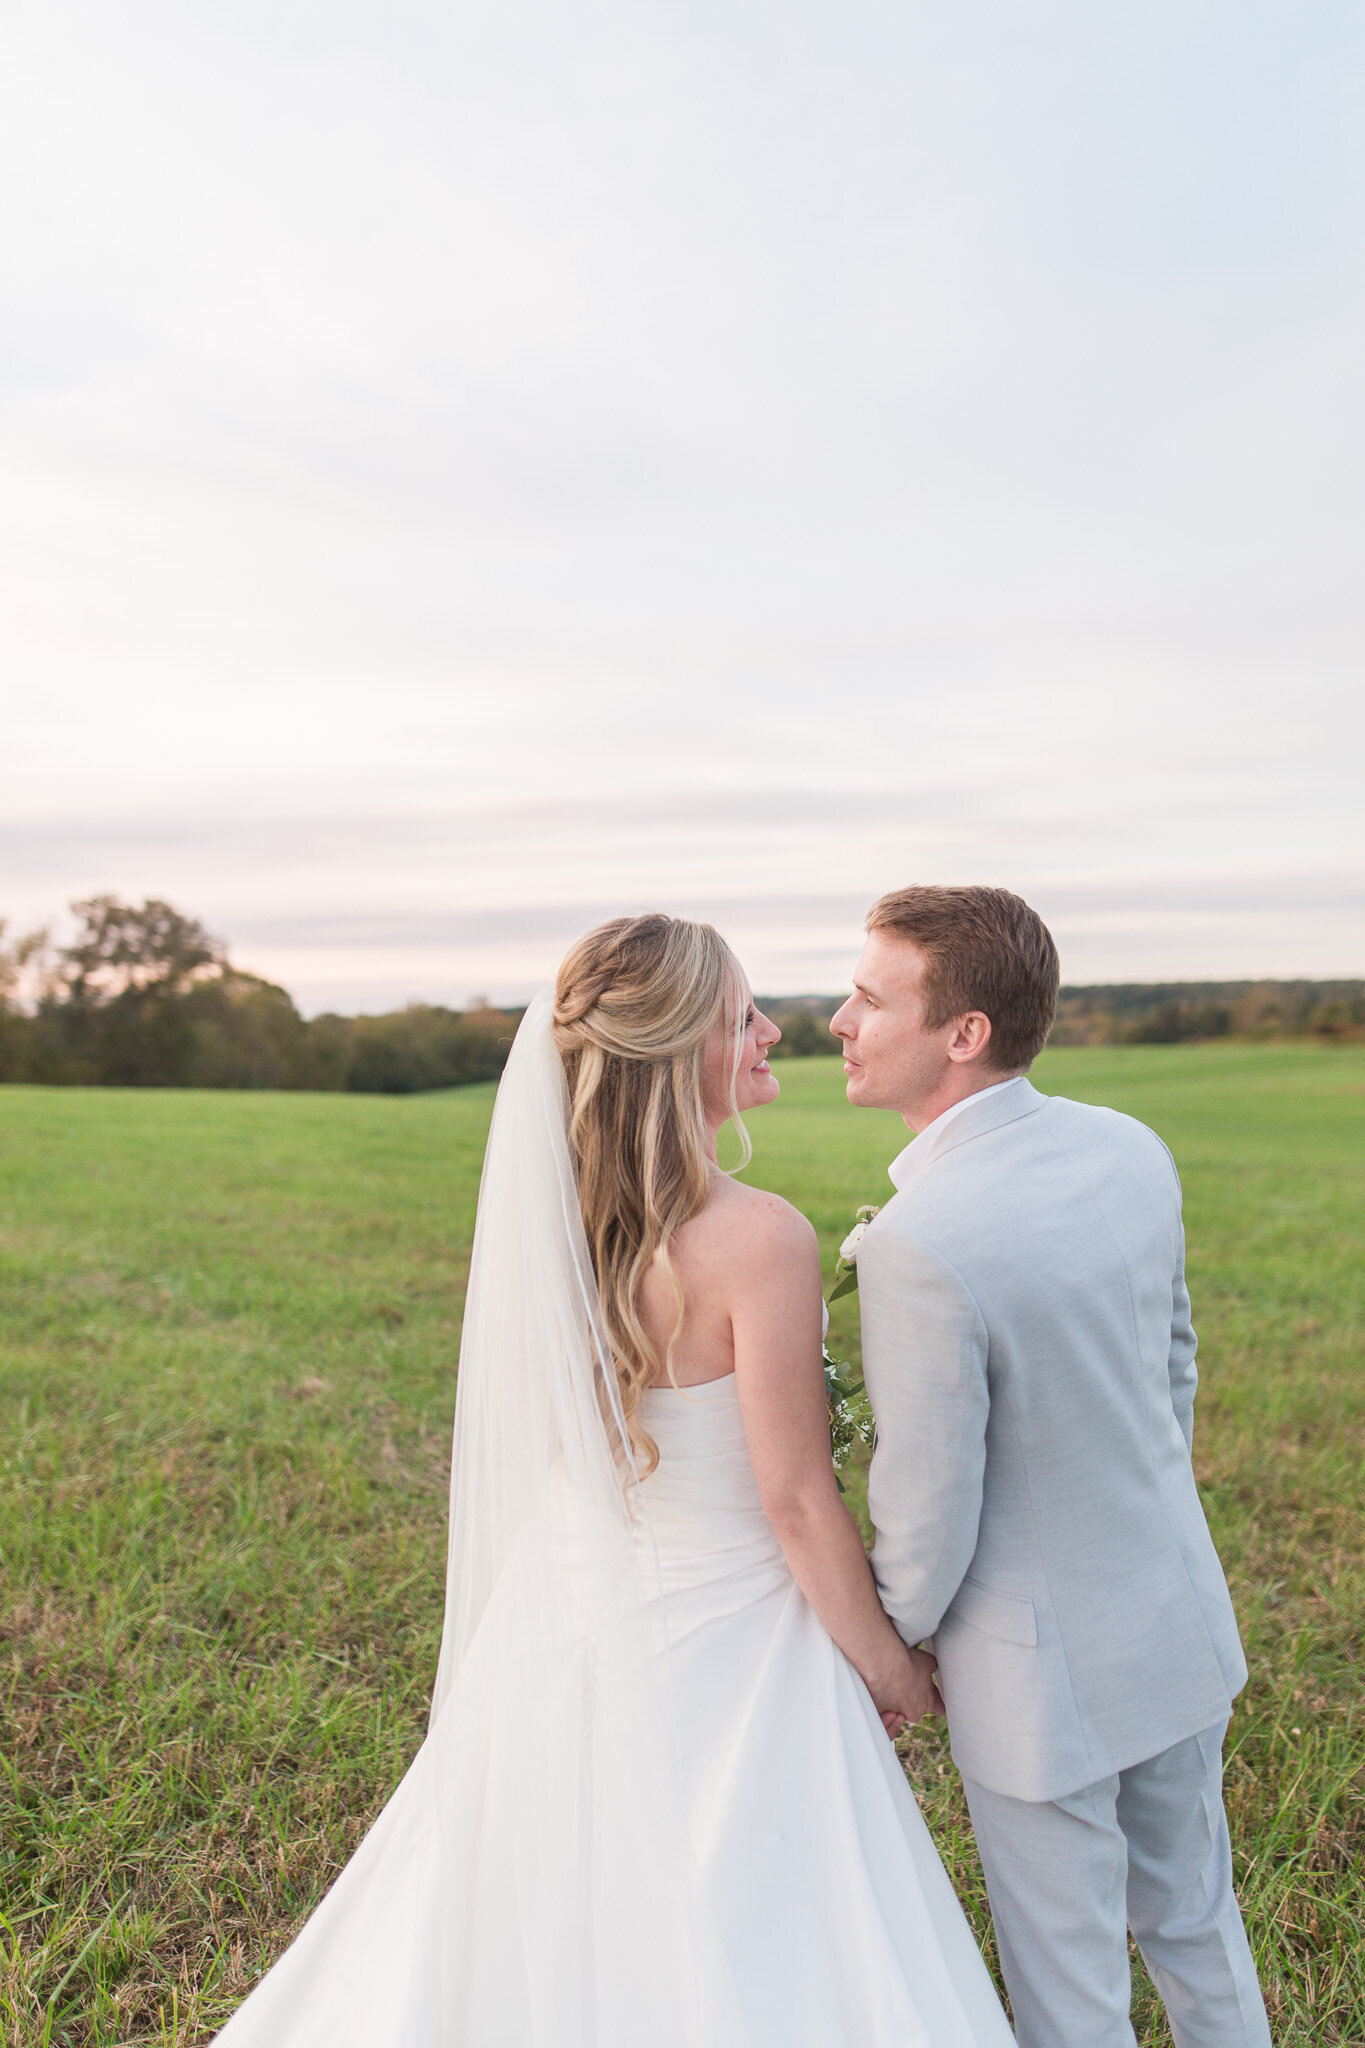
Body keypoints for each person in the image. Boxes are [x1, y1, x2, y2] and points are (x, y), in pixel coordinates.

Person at [213, 912, 1014, 2047]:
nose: (772, 1029)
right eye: (742, 1014)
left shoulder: (563, 1227)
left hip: (573, 1606)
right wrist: (891, 1663)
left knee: (542, 1881)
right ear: (681, 1044)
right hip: (739, 1633)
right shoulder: (758, 1238)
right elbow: (793, 1498)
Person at [833, 884, 1270, 2048]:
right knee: (1197, 1920)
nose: (839, 1019)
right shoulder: (1129, 1145)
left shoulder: (923, 1241)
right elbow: (1171, 1367)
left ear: (961, 1032)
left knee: (1069, 1992)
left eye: (871, 999)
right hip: (1173, 1611)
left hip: (1038, 1683)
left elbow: (928, 1507)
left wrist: (890, 1649)